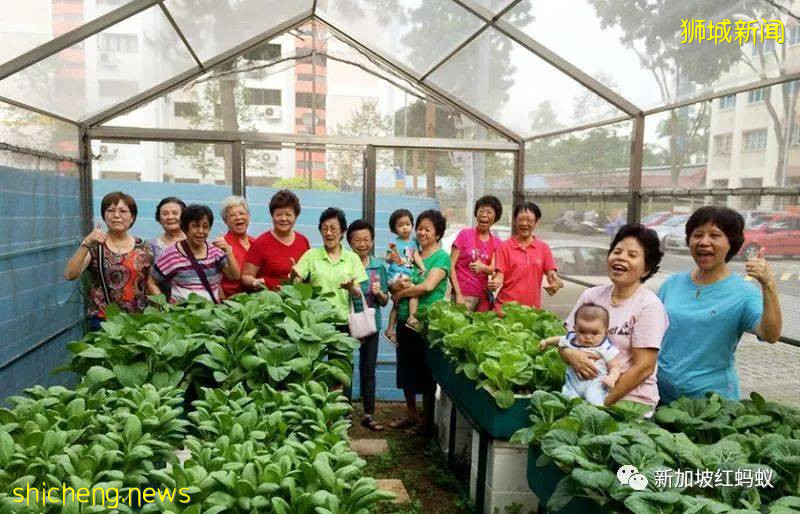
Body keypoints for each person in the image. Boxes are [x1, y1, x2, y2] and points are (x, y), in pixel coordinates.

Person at [657, 206, 782, 404]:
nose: (703, 242)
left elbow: (770, 334)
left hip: (711, 404)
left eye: (715, 235)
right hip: (659, 395)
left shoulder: (743, 292)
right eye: (697, 235)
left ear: (731, 243)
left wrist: (769, 286)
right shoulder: (672, 284)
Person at [558, 224, 669, 411]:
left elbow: (643, 368)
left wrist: (601, 404)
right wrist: (570, 354)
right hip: (582, 394)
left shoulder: (648, 306)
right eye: (617, 251)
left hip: (628, 403)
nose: (621, 257)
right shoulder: (591, 296)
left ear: (646, 269)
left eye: (632, 255)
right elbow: (566, 343)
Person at [389, 209, 450, 435]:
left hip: (425, 323)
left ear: (438, 233)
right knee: (406, 369)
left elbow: (428, 287)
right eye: (420, 228)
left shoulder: (441, 257)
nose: (422, 232)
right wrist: (395, 289)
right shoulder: (412, 254)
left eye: (428, 229)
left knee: (425, 373)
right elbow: (396, 280)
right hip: (404, 319)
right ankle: (411, 414)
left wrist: (401, 295)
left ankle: (426, 422)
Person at [64, 191, 152, 331]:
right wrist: (86, 242)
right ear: (104, 215)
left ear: (132, 217)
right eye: (110, 210)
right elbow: (70, 274)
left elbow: (150, 281)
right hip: (103, 321)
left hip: (138, 321)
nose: (116, 215)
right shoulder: (94, 246)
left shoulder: (143, 247)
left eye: (123, 211)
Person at [148, 204, 240, 304]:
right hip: (181, 315)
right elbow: (152, 282)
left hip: (211, 315)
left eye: (205, 227)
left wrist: (227, 250)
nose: (201, 231)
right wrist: (163, 308)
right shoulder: (171, 254)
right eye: (195, 226)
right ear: (185, 228)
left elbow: (234, 276)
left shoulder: (216, 252)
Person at [347, 219, 389, 431]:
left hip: (371, 324)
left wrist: (380, 292)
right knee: (346, 367)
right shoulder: (345, 264)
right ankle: (343, 412)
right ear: (349, 242)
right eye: (357, 240)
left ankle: (368, 414)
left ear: (372, 241)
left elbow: (384, 301)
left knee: (368, 369)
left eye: (366, 240)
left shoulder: (378, 266)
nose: (362, 244)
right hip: (348, 323)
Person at [292, 208, 367, 325]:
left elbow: (358, 294)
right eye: (324, 228)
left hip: (344, 322)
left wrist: (351, 288)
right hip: (317, 322)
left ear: (343, 231)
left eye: (333, 228)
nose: (328, 233)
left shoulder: (353, 258)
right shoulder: (311, 255)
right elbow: (297, 281)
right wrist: (294, 277)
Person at [539, 303, 621, 406]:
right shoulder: (572, 339)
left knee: (595, 403)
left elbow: (615, 366)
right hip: (573, 384)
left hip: (596, 383)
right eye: (582, 332)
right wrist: (546, 341)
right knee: (568, 403)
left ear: (605, 331)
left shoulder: (605, 348)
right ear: (574, 328)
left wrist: (612, 377)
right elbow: (559, 340)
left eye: (595, 333)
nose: (588, 337)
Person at [488, 202, 563, 310]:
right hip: (505, 309)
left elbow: (552, 276)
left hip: (532, 311)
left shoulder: (543, 248)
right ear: (514, 221)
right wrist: (495, 283)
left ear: (537, 222)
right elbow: (499, 276)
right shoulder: (504, 247)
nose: (524, 223)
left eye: (529, 220)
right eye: (521, 219)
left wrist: (557, 283)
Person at [241, 190, 310, 291]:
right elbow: (246, 276)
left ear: (296, 216)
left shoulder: (303, 241)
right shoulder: (261, 243)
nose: (283, 218)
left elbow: (309, 275)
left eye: (288, 214)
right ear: (272, 216)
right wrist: (255, 282)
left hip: (296, 302)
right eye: (278, 214)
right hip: (269, 301)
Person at [450, 195, 504, 312]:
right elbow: (450, 265)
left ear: (496, 217)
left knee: (481, 328)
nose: (484, 215)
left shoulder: (497, 242)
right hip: (463, 295)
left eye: (489, 212)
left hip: (483, 296)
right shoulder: (464, 234)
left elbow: (493, 269)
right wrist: (458, 294)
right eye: (481, 211)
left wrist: (485, 270)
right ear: (476, 214)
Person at [384, 209, 426, 342]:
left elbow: (415, 255)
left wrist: (422, 267)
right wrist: (390, 258)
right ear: (394, 229)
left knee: (397, 303)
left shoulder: (413, 242)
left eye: (407, 224)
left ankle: (390, 330)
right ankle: (412, 318)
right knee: (414, 292)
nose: (405, 228)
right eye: (400, 225)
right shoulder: (394, 243)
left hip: (405, 275)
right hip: (397, 276)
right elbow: (387, 257)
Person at [219, 196, 254, 299]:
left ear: (248, 216)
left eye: (242, 213)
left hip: (256, 300)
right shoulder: (221, 245)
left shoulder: (256, 242)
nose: (238, 217)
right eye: (232, 215)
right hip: (230, 301)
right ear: (225, 221)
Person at [149, 197, 186, 261]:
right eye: (165, 214)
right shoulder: (151, 246)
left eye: (175, 213)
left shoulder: (194, 242)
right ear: (159, 219)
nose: (170, 217)